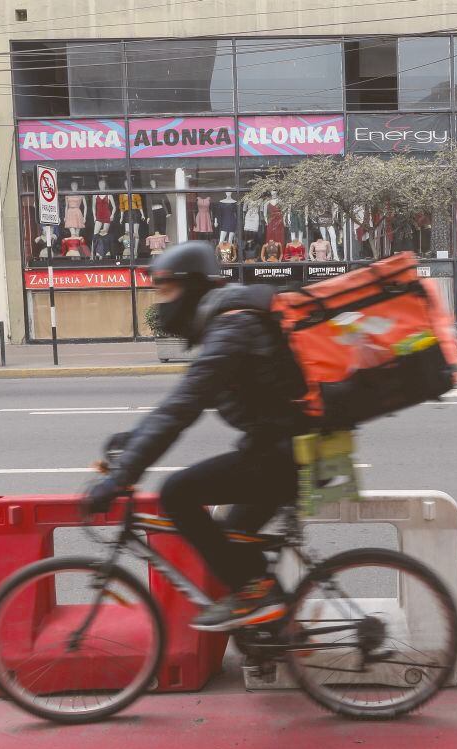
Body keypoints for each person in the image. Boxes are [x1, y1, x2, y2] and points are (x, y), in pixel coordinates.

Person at [83, 241, 307, 632]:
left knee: (178, 492)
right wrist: (132, 439)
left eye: (166, 290)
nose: (160, 303)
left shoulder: (233, 325)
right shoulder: (224, 321)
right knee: (234, 549)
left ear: (193, 288)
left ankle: (262, 598)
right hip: (285, 448)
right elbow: (182, 403)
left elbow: (182, 407)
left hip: (289, 454)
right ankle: (279, 629)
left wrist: (122, 477)